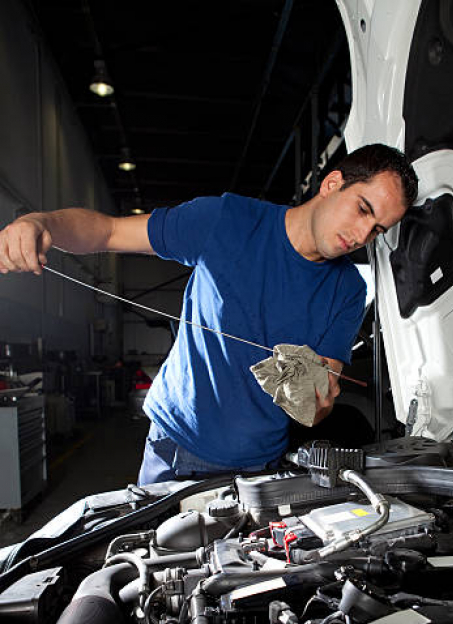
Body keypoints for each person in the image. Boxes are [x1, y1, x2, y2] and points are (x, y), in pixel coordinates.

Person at [0, 143, 417, 483]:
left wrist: (310, 394)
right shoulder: (226, 221)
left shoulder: (347, 289)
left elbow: (319, 406)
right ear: (331, 184)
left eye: (378, 229)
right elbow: (107, 230)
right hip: (176, 452)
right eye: (363, 209)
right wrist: (42, 223)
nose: (362, 235)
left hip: (262, 469)